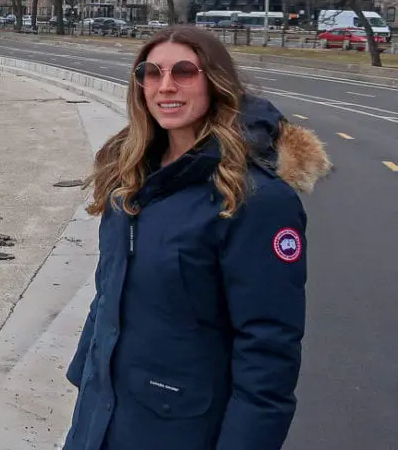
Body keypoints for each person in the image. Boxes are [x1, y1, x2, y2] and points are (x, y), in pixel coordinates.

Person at [65, 26, 330, 450]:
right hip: (102, 417)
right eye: (151, 73)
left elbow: (267, 348)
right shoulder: (127, 176)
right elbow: (107, 290)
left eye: (184, 72)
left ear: (215, 81)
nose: (165, 86)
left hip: (181, 428)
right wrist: (86, 373)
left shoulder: (256, 199)